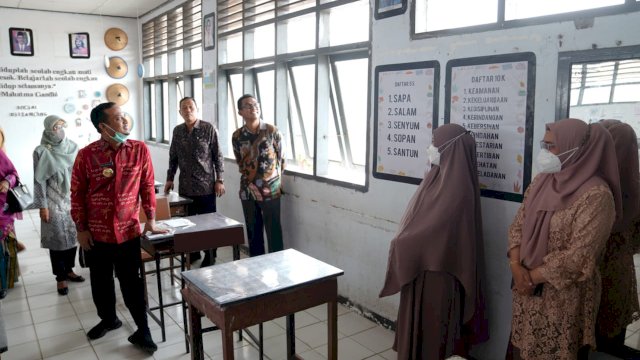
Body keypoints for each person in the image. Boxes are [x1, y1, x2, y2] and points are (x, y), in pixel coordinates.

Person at [507, 119, 621, 360]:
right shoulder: (541, 182)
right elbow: (518, 225)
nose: (544, 152)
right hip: (526, 292)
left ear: (577, 149)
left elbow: (578, 257)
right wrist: (516, 267)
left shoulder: (597, 196)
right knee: (522, 349)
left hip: (563, 300)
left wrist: (528, 279)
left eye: (551, 146)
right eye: (544, 144)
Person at [379, 124, 488, 359]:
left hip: (438, 274)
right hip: (422, 270)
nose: (431, 148)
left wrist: (402, 243)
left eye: (435, 143)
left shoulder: (458, 190)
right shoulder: (437, 178)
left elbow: (434, 233)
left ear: (451, 149)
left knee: (432, 334)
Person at [71, 102, 167, 353]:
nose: (125, 121)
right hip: (96, 233)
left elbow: (147, 186)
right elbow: (77, 194)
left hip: (128, 231)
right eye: (118, 118)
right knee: (100, 282)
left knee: (131, 283)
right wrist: (81, 228)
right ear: (103, 126)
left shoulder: (139, 150)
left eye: (125, 116)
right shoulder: (86, 155)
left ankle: (142, 329)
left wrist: (152, 220)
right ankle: (108, 319)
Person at [596, 119, 640, 359]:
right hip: (618, 270)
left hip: (586, 271)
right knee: (611, 336)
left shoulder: (587, 182)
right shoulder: (635, 185)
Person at [165, 97, 225, 267]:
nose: (188, 110)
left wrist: (220, 180)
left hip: (206, 185)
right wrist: (170, 178)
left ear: (197, 109)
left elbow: (218, 156)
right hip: (186, 186)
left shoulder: (208, 128)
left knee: (208, 223)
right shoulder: (178, 131)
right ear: (180, 112)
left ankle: (210, 254)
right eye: (184, 108)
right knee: (188, 222)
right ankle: (193, 252)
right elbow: (173, 156)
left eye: (191, 107)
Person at [33, 115, 83, 296]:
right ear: (47, 129)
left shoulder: (73, 147)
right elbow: (39, 181)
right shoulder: (40, 151)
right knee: (57, 240)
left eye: (61, 126)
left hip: (72, 199)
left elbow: (80, 174)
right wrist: (42, 206)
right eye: (55, 127)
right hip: (52, 200)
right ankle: (60, 278)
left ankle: (69, 270)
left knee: (73, 236)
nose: (59, 130)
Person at [232, 94, 285, 256]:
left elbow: (281, 159)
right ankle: (256, 270)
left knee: (274, 232)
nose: (253, 107)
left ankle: (278, 269)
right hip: (248, 191)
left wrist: (270, 180)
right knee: (253, 233)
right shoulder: (237, 136)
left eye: (255, 104)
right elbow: (239, 161)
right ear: (240, 112)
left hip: (271, 191)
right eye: (248, 105)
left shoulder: (271, 131)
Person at [0, 128, 21, 300]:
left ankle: (4, 282)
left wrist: (7, 182)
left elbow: (14, 174)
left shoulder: (1, 155)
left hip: (2, 209)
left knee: (3, 249)